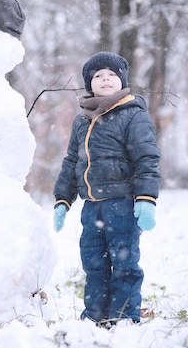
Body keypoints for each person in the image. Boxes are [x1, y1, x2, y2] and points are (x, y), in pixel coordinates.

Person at [52, 51, 160, 326]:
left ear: (122, 80)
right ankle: (96, 316)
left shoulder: (132, 115)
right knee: (94, 264)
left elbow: (146, 157)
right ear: (90, 83)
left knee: (124, 263)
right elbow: (72, 162)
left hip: (122, 203)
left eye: (111, 74)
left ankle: (123, 317)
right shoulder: (82, 120)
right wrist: (63, 199)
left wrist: (146, 198)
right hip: (92, 206)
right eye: (98, 75)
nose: (105, 79)